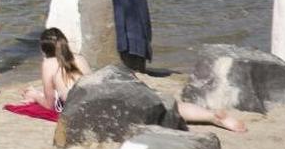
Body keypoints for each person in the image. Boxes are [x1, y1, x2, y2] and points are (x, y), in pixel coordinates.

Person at [20, 28, 246, 132]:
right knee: (161, 102)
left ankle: (211, 117)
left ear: (44, 50)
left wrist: (34, 95)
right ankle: (210, 116)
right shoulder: (79, 58)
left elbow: (50, 104)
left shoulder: (48, 64)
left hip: (87, 105)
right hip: (104, 89)